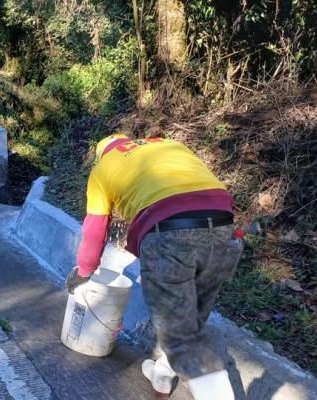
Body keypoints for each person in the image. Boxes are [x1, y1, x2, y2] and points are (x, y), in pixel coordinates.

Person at [65, 133, 240, 399]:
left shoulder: (103, 169)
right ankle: (163, 374)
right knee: (193, 315)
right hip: (223, 223)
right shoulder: (168, 145)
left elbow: (95, 230)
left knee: (182, 334)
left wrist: (84, 272)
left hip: (169, 230)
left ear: (102, 153)